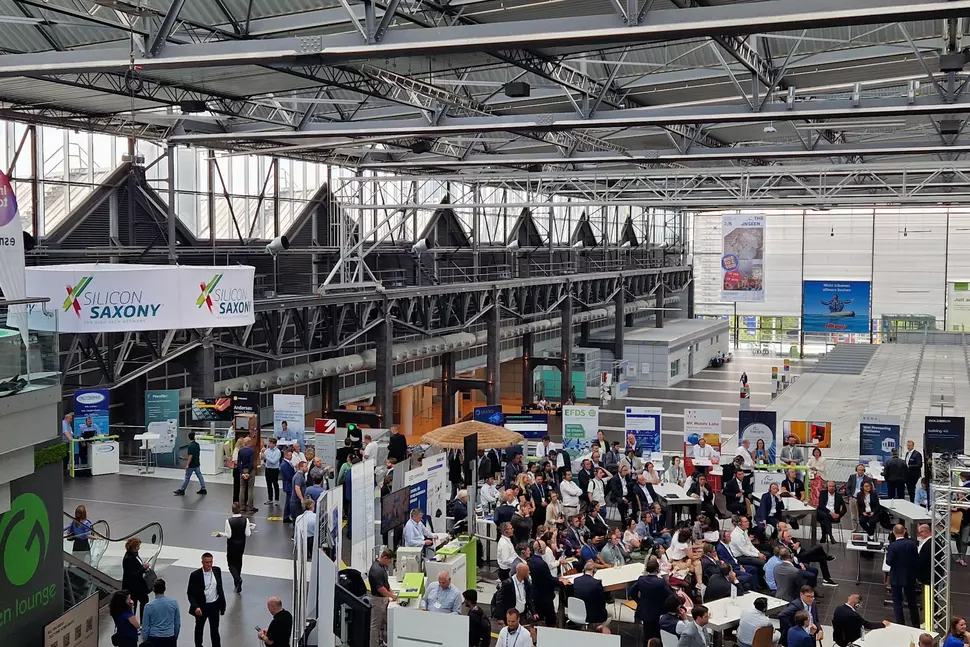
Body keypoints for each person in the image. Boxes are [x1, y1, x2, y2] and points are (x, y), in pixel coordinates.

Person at [186, 552, 226, 647]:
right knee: (199, 628)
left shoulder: (217, 571)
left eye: (211, 562)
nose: (209, 564)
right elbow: (190, 593)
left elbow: (220, 589)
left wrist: (222, 605)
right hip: (202, 606)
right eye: (207, 562)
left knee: (215, 630)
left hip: (214, 605)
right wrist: (196, 607)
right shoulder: (195, 575)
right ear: (202, 562)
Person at [631, 556, 675, 641]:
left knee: (647, 636)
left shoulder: (641, 579)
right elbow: (670, 595)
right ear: (658, 569)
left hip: (646, 612)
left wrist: (639, 601)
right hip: (659, 612)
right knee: (659, 636)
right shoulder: (661, 582)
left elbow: (632, 592)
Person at [886, 524, 920, 626]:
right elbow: (916, 559)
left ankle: (901, 624)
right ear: (904, 532)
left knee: (897, 603)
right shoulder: (912, 544)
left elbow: (889, 561)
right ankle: (916, 624)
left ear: (893, 532)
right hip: (910, 576)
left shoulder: (892, 546)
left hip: (896, 577)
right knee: (912, 602)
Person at [526, 540, 559, 626]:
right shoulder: (542, 564)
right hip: (545, 597)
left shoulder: (530, 561)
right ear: (540, 550)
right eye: (544, 548)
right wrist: (560, 581)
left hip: (536, 595)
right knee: (551, 621)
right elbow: (549, 580)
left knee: (538, 619)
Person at [368, 549, 397, 647]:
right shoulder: (376, 570)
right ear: (385, 558)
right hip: (378, 601)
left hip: (383, 599)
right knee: (375, 626)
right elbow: (380, 588)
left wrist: (392, 593)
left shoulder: (382, 567)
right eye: (389, 561)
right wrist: (391, 595)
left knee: (382, 623)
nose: (389, 563)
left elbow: (385, 584)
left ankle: (380, 642)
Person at [573, 561, 612, 633]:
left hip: (577, 612)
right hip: (592, 615)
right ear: (594, 571)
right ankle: (599, 628)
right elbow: (601, 601)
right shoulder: (596, 583)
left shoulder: (576, 580)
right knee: (609, 614)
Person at [143, 579, 180, 647]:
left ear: (153, 589)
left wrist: (145, 640)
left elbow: (146, 626)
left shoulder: (149, 606)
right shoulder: (173, 603)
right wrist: (175, 637)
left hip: (154, 637)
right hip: (169, 636)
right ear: (165, 589)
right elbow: (177, 623)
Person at [122, 537, 152, 620]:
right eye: (138, 546)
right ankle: (135, 622)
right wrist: (143, 568)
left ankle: (141, 621)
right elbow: (133, 574)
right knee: (134, 604)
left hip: (137, 585)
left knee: (143, 601)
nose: (139, 548)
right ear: (133, 547)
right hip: (133, 586)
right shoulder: (129, 559)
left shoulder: (134, 555)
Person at [174, 432, 208, 496]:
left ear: (189, 438)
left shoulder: (190, 446)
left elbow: (190, 456)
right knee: (200, 476)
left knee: (187, 477)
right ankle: (203, 488)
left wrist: (187, 465)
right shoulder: (197, 444)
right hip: (197, 463)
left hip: (191, 465)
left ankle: (182, 490)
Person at [817, 480, 847, 544]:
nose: (831, 488)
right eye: (830, 486)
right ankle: (831, 536)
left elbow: (845, 509)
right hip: (822, 513)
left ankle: (824, 536)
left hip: (833, 516)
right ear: (827, 487)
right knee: (825, 515)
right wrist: (830, 513)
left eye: (833, 486)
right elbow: (821, 506)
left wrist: (839, 515)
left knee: (825, 520)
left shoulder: (838, 496)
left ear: (835, 487)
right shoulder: (823, 493)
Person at [846, 463, 869, 530]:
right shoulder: (852, 477)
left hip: (863, 499)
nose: (860, 471)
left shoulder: (867, 479)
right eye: (859, 470)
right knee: (853, 516)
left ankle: (862, 531)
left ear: (864, 471)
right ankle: (854, 530)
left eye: (862, 470)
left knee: (862, 516)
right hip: (853, 498)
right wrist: (850, 496)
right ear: (856, 470)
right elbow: (848, 487)